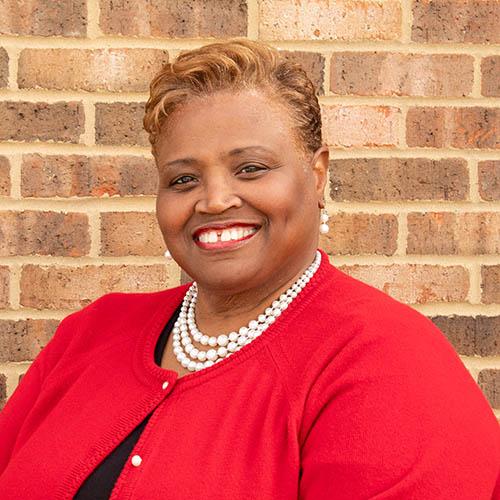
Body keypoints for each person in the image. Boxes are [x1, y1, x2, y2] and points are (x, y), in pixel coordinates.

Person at [0, 39, 498, 499]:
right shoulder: (90, 334)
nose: (214, 200)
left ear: (317, 173)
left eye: (251, 169)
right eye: (184, 178)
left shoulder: (387, 363)